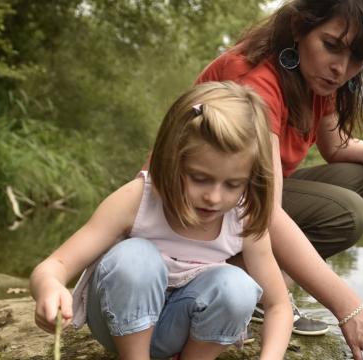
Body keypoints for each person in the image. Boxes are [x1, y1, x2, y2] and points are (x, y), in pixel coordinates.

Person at [196, 1, 363, 359]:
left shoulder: (313, 77)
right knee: (346, 213)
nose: (341, 69)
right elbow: (265, 209)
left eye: (357, 58)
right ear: (299, 27)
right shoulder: (255, 79)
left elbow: (336, 147)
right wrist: (350, 309)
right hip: (192, 210)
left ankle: (258, 288)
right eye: (332, 46)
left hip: (239, 205)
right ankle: (251, 289)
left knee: (361, 180)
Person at [29, 81, 293, 360]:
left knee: (237, 287)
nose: (214, 197)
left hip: (179, 329)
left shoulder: (243, 216)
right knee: (136, 257)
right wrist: (50, 288)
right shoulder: (137, 199)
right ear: (171, 160)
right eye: (199, 178)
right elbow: (52, 266)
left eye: (233, 184)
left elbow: (278, 306)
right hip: (116, 323)